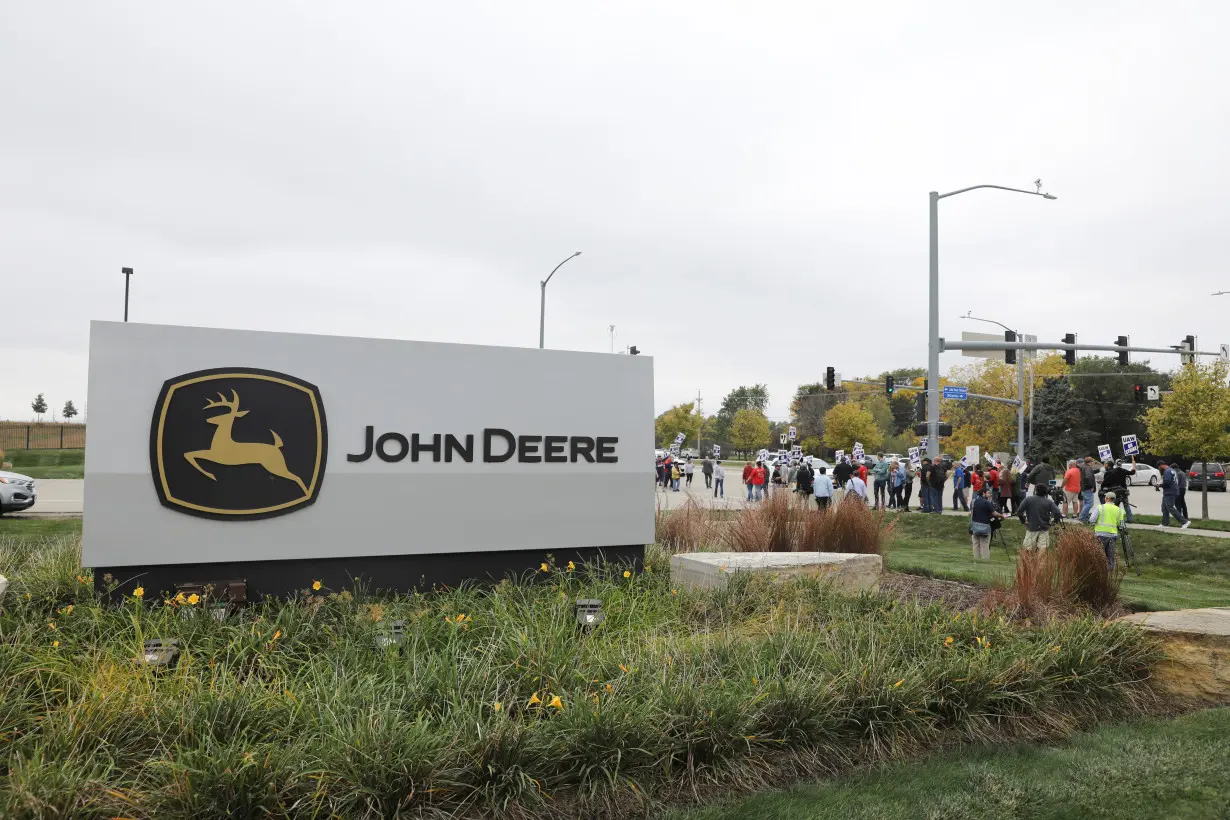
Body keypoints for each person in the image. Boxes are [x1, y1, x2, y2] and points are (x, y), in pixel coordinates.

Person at [1017, 483, 1063, 551]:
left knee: (1027, 549)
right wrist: (1054, 522)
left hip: (1032, 527)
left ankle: (1028, 561)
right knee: (1042, 549)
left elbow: (1019, 512)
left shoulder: (1028, 499)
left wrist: (1023, 521)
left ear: (1036, 491)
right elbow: (1058, 513)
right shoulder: (1048, 502)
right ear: (1046, 492)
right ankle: (1040, 561)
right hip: (1044, 528)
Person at [1089, 491, 1125, 569]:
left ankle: (1099, 571)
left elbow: (1092, 520)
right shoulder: (1119, 510)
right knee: (1110, 555)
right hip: (1113, 536)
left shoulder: (1100, 507)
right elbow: (1121, 525)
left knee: (1099, 554)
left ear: (1107, 498)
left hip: (1100, 535)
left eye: (1105, 497)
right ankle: (1110, 571)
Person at [969, 485, 1006, 560]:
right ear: (983, 493)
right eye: (988, 493)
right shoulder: (987, 503)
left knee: (976, 544)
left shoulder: (973, 501)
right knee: (985, 544)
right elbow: (994, 513)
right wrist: (1002, 516)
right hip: (985, 527)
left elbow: (971, 512)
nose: (990, 494)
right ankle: (985, 560)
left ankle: (976, 559)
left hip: (974, 526)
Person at [1099, 457, 1136, 523]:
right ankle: (1129, 518)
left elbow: (1107, 481)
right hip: (1124, 490)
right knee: (1126, 504)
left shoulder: (1112, 472)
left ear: (1115, 464)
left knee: (1116, 505)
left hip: (1116, 490)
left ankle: (1117, 518)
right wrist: (1133, 466)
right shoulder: (1123, 470)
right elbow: (1132, 472)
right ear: (1121, 464)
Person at [1158, 462, 1191, 528]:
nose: (1159, 469)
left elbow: (1167, 483)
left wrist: (1159, 485)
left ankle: (1184, 521)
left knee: (1170, 507)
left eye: (1159, 468)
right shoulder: (1172, 470)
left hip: (1170, 492)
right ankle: (1165, 523)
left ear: (1161, 465)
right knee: (1164, 507)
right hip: (1170, 491)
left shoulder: (1167, 471)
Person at [1077, 456, 1098, 522]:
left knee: (1086, 503)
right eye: (1092, 461)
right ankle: (1081, 517)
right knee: (1090, 504)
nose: (1093, 462)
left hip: (1084, 488)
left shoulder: (1084, 467)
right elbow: (1088, 477)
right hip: (1088, 488)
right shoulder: (1088, 468)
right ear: (1090, 462)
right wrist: (1091, 486)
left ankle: (1084, 518)